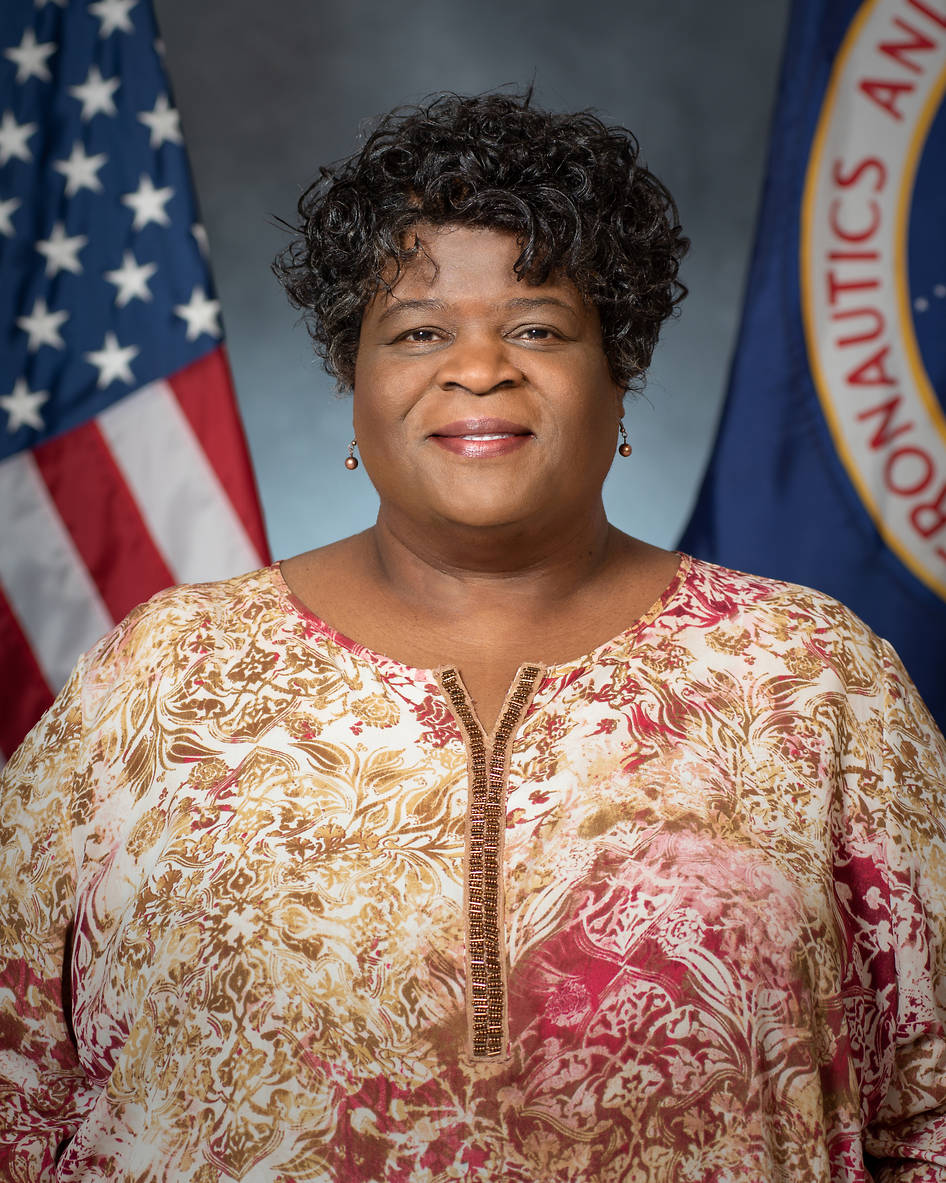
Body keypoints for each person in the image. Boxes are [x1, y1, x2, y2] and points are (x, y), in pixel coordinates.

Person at [2, 91, 945, 1183]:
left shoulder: (811, 674)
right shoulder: (161, 678)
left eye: (538, 326)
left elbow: (926, 1112)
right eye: (418, 331)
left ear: (619, 373)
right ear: (354, 387)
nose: (479, 365)